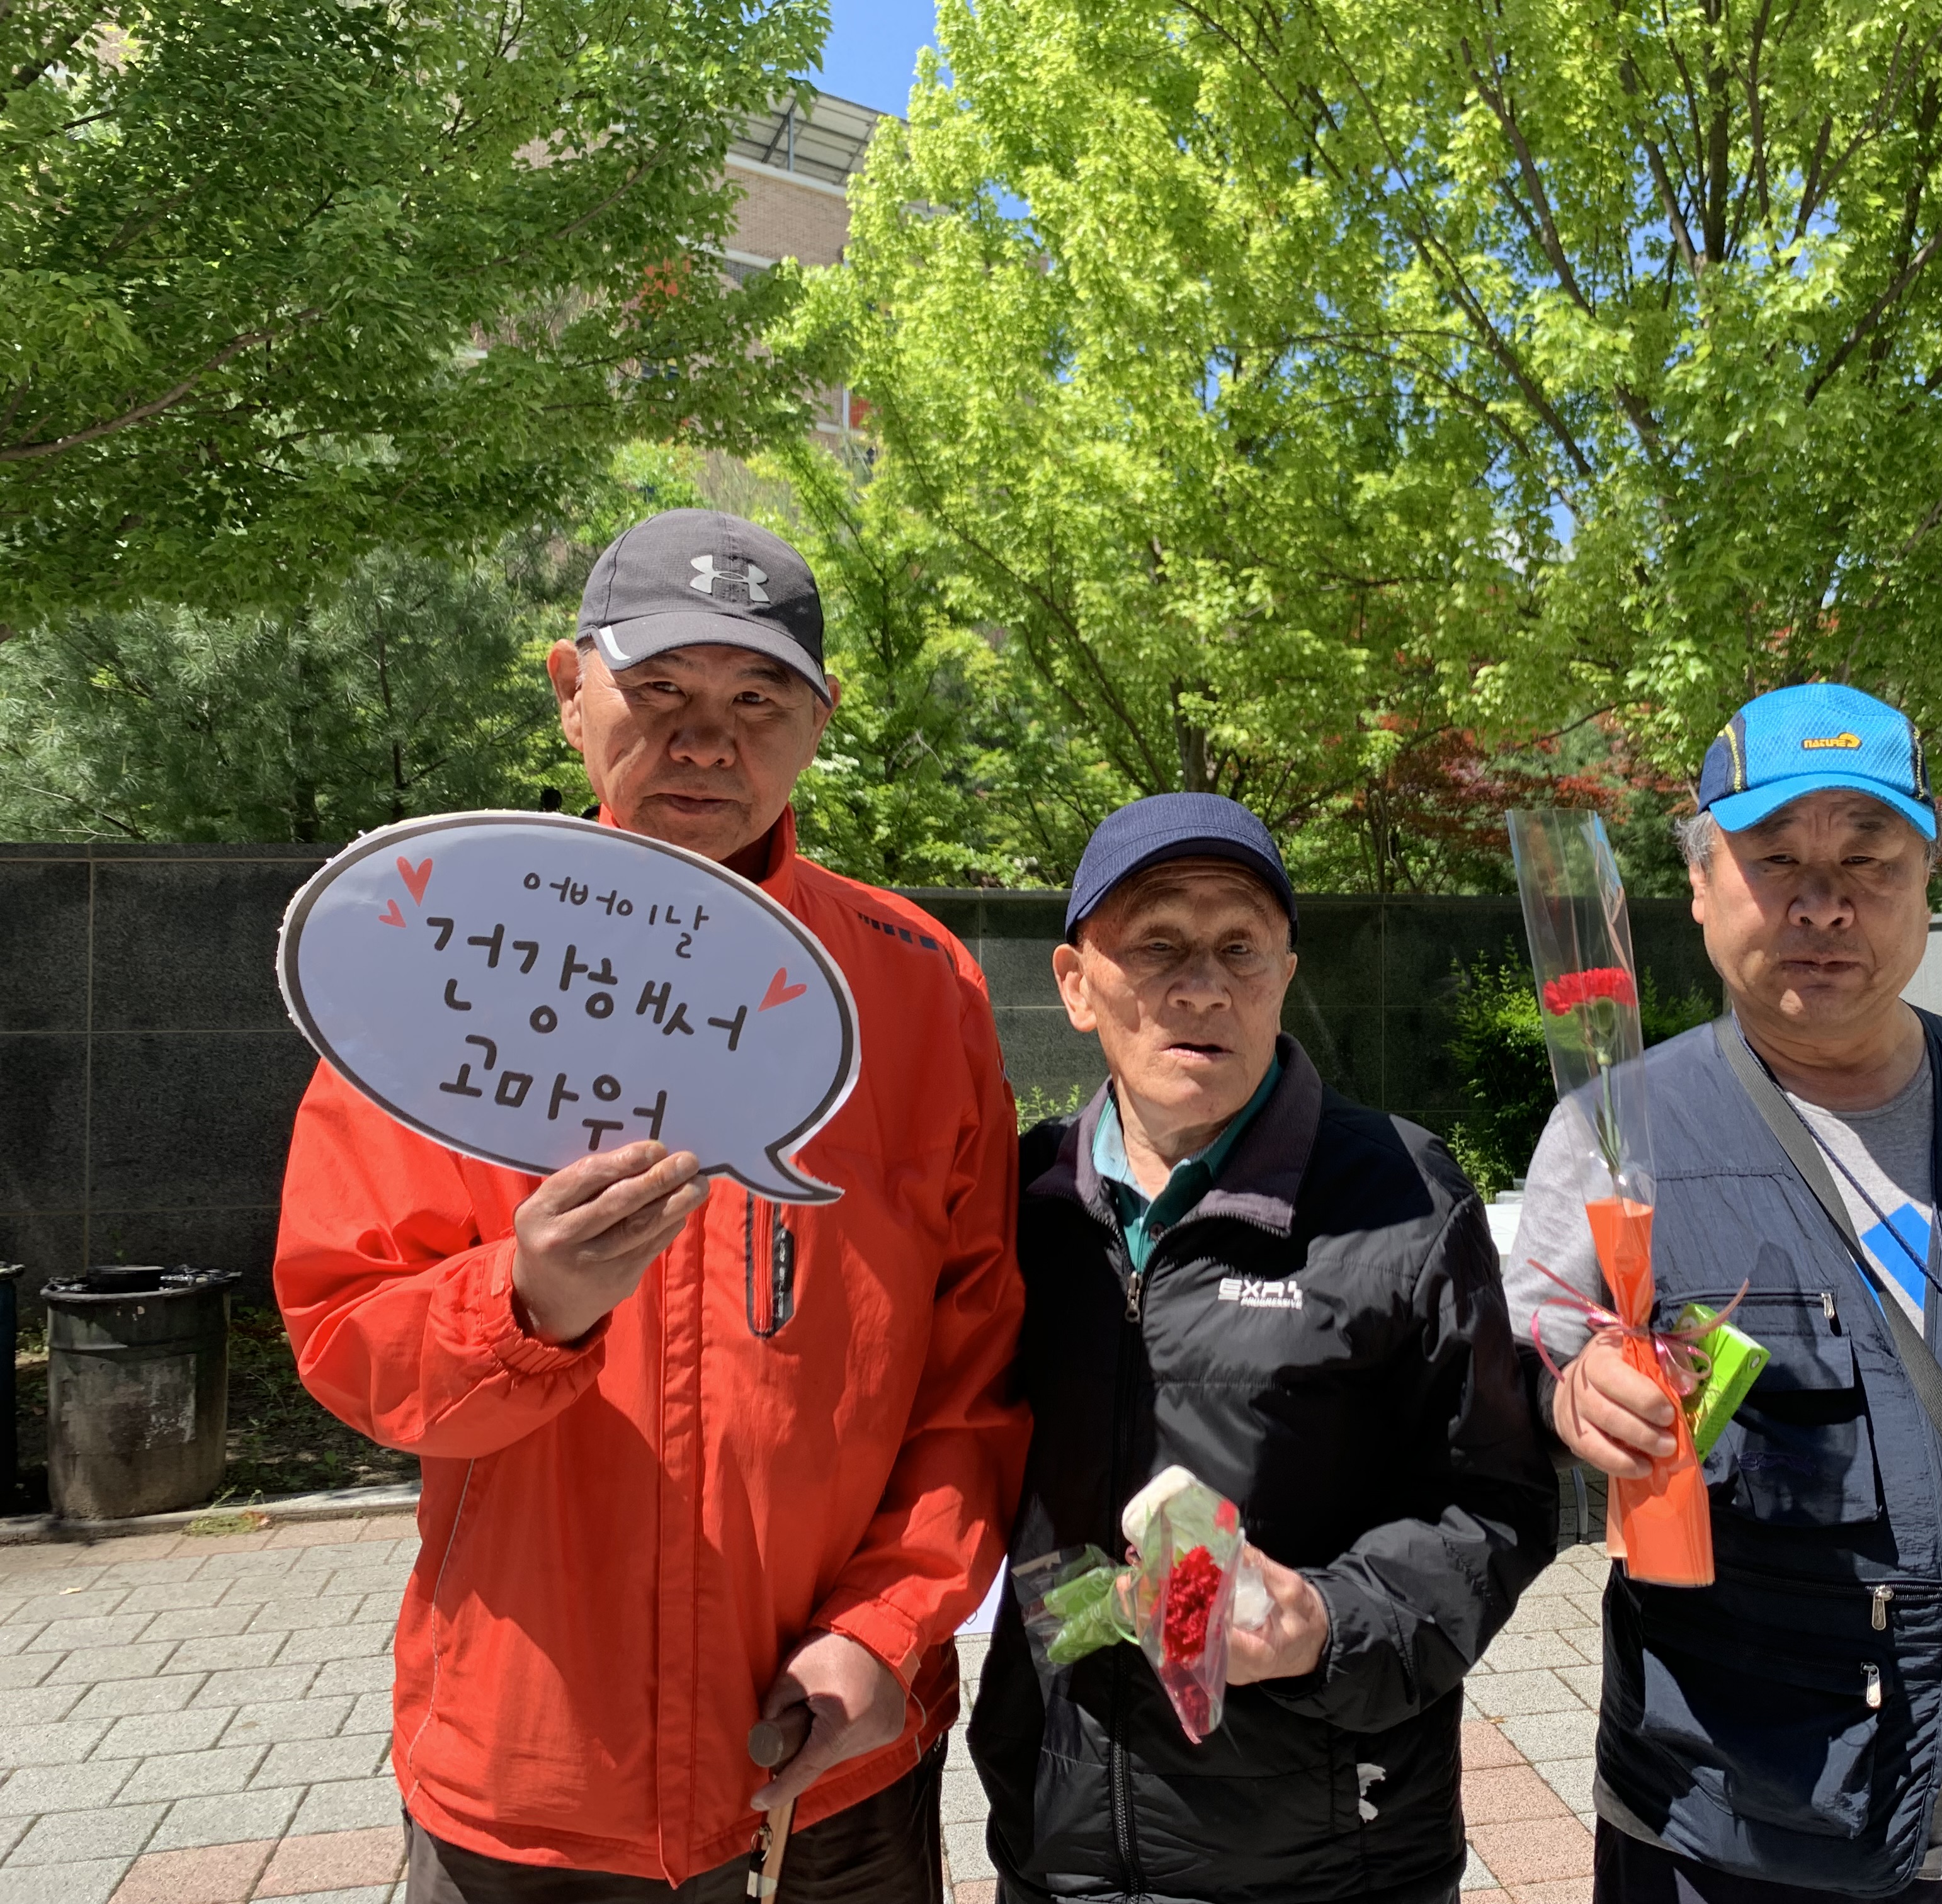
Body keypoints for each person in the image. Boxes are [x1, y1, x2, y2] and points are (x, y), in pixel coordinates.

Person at [273, 509, 1030, 1902]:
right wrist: (525, 1307)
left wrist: (886, 1629)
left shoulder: (921, 987)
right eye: (660, 688)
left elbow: (969, 1377)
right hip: (528, 1780)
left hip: (837, 1757)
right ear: (571, 692)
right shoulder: (433, 963)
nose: (706, 742)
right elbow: (346, 1334)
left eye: (758, 701)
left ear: (819, 720)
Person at [1505, 683, 1942, 1904]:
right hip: (1730, 1839)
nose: (1823, 903)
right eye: (1775, 859)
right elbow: (1510, 1421)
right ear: (1701, 884)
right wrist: (1570, 1404)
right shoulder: (1617, 1132)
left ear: (1927, 878)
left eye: (1869, 859)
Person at [967, 793, 1559, 1904]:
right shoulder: (1016, 1204)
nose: (1204, 986)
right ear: (1076, 984)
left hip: (1330, 1859)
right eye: (1158, 946)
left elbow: (1495, 1504)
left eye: (1240, 946)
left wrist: (1325, 1625)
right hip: (1058, 1849)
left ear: (1285, 974)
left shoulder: (1402, 1194)